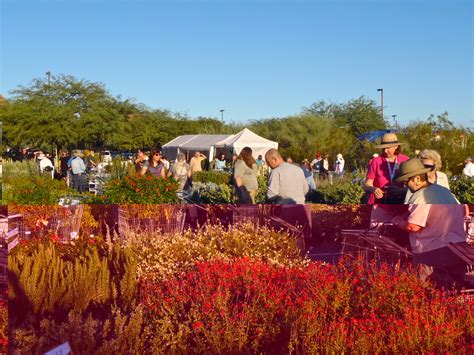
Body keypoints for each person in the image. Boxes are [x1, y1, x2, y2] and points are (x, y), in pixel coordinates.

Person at [391, 158, 467, 289]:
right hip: (457, 250)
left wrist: (397, 221)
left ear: (417, 179)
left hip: (433, 252)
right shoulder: (444, 191)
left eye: (406, 181)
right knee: (454, 293)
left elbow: (413, 226)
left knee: (431, 295)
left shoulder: (420, 196)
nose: (405, 186)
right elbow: (462, 212)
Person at [363, 133, 410, 204]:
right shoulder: (376, 161)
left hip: (399, 201)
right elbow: (367, 184)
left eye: (388, 148)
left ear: (396, 146)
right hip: (378, 202)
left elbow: (413, 184)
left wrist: (401, 190)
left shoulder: (405, 160)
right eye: (383, 148)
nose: (385, 151)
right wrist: (374, 189)